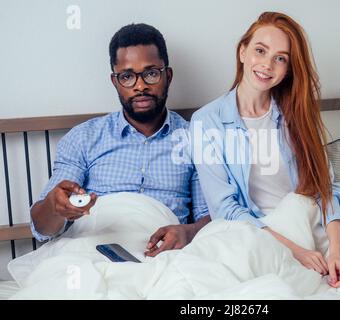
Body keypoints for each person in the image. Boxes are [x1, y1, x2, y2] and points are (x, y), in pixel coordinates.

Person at [190, 12, 340, 288]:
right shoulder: (206, 121)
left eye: (280, 58)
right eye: (260, 51)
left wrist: (337, 250)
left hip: (307, 222)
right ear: (242, 52)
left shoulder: (297, 114)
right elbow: (225, 209)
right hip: (255, 232)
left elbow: (325, 187)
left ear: (288, 69)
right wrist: (295, 251)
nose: (267, 64)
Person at [30, 23, 210, 257]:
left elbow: (211, 215)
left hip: (165, 258)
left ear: (168, 76)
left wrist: (189, 231)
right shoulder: (84, 138)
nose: (140, 86)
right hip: (93, 255)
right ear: (115, 82)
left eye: (151, 73)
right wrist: (56, 209)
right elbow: (41, 229)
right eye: (127, 77)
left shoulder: (195, 139)